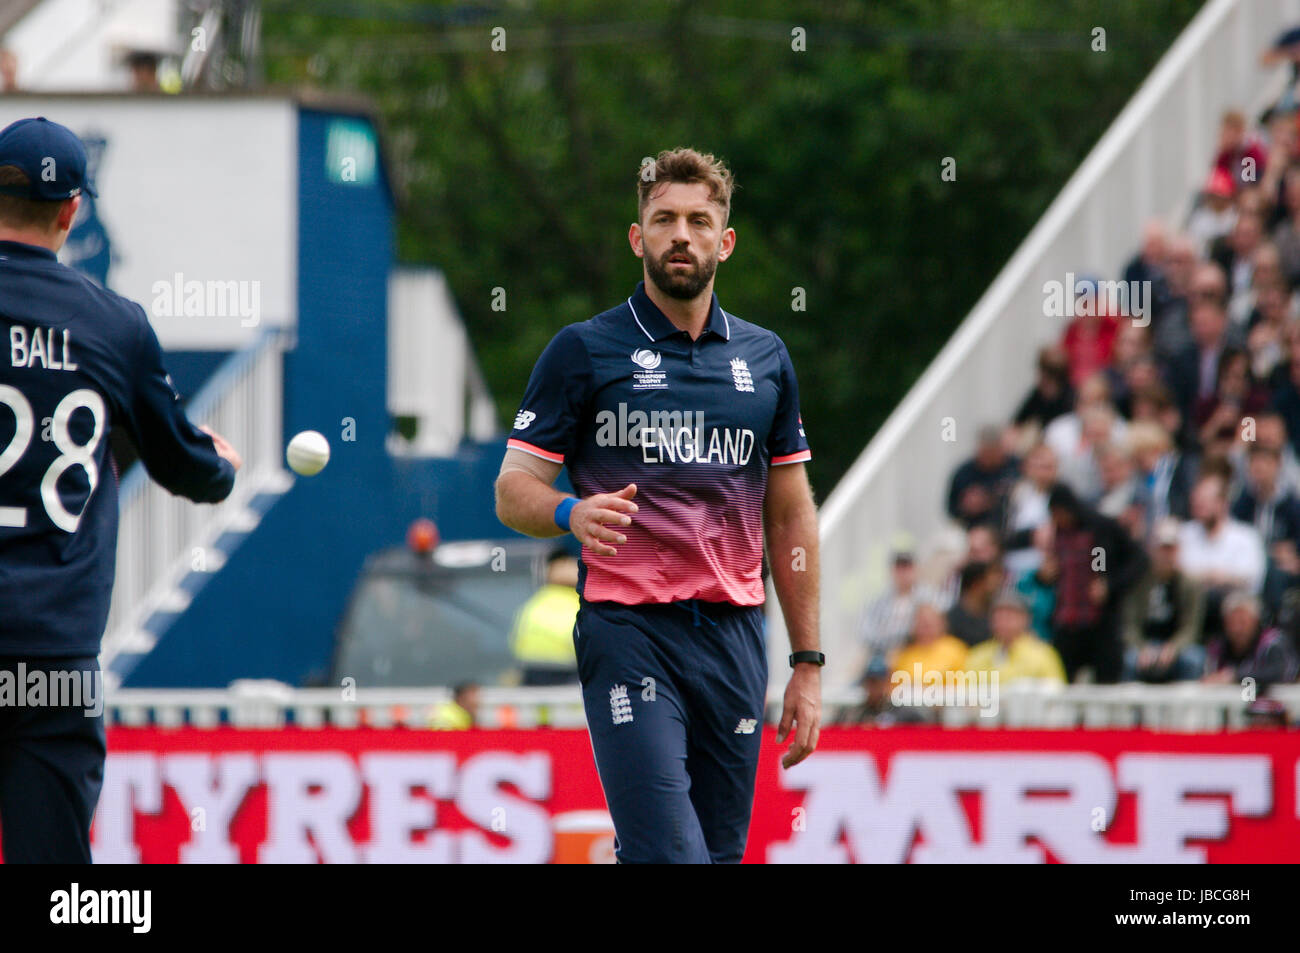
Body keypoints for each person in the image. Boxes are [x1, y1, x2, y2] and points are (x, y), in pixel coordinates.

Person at [494, 148, 820, 864]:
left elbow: (792, 518)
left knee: (715, 855)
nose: (682, 234)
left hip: (735, 639)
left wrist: (808, 661)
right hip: (628, 631)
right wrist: (567, 514)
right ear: (637, 237)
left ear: (724, 241)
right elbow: (511, 487)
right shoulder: (583, 351)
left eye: (699, 220)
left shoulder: (766, 359)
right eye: (664, 218)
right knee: (671, 855)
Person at [0, 118, 241, 863]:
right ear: (72, 211)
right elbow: (187, 468)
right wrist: (219, 461)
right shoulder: (111, 323)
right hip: (51, 654)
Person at [1041, 483, 1149, 683]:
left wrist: (1110, 585)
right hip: (1068, 619)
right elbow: (1058, 573)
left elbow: (1136, 560)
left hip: (1100, 620)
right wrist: (1047, 575)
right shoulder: (1058, 535)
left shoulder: (1100, 528)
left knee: (1106, 681)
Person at [1121, 519, 1206, 682]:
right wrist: (1141, 647)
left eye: (1171, 549)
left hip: (1176, 644)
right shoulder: (1138, 581)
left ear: (1178, 550)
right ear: (1152, 549)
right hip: (1145, 643)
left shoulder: (1191, 584)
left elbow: (1191, 627)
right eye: (1162, 549)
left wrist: (1173, 648)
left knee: (1194, 658)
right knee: (1128, 660)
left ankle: (1188, 706)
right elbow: (1129, 625)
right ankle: (1133, 706)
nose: (1167, 555)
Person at [510, 548, 580, 685]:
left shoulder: (533, 603)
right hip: (569, 671)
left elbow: (516, 639)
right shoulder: (581, 603)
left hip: (532, 670)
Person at [965, 592, 1066, 685]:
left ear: (1026, 619)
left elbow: (1055, 691)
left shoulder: (1043, 655)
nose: (1003, 622)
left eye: (1009, 617)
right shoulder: (977, 654)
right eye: (999, 616)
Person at [1203, 590, 1299, 688]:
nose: (1237, 628)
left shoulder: (1272, 643)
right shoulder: (1218, 647)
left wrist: (1235, 677)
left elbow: (1278, 673)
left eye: (1243, 622)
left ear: (1255, 621)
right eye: (1232, 622)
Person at [945, 423, 1018, 528]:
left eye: (991, 453)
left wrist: (990, 500)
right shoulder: (964, 472)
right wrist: (966, 507)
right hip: (971, 527)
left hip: (1008, 525)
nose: (987, 459)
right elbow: (951, 508)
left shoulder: (1015, 466)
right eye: (984, 452)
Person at [892, 602, 968, 683]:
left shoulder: (956, 649)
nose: (926, 628)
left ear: (941, 624)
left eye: (930, 623)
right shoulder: (904, 655)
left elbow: (964, 683)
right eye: (921, 623)